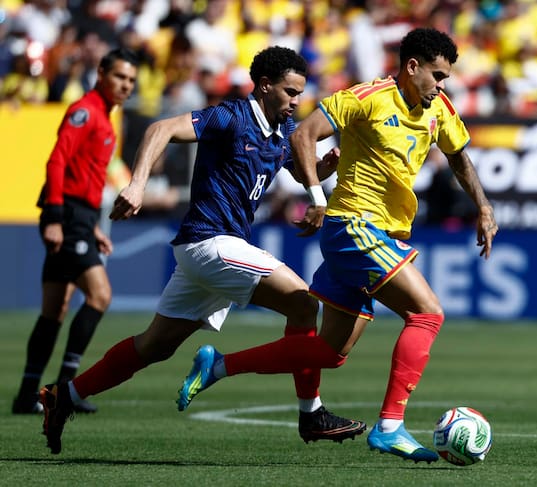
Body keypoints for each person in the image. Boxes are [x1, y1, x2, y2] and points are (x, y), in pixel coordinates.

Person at [176, 27, 499, 464]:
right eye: (437, 75)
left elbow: (459, 155)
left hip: (383, 233)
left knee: (332, 352)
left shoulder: (438, 107)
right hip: (354, 227)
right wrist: (317, 198)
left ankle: (219, 365)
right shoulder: (367, 97)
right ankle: (390, 427)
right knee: (427, 314)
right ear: (412, 67)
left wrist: (483, 207)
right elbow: (303, 135)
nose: (443, 86)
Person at [38, 46, 366, 455]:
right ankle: (311, 413)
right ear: (264, 86)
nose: (296, 101)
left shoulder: (280, 133)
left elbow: (299, 171)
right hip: (210, 242)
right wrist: (137, 184)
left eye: (299, 92)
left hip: (210, 253)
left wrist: (324, 169)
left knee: (154, 346)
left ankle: (64, 395)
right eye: (289, 91)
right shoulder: (230, 116)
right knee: (303, 305)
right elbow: (160, 129)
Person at [12, 48, 139, 415]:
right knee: (100, 296)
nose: (125, 86)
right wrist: (54, 217)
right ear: (100, 73)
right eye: (119, 77)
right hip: (65, 214)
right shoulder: (85, 111)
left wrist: (93, 228)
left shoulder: (105, 118)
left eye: (131, 80)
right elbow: (57, 159)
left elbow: (87, 178)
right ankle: (66, 390)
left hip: (78, 218)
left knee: (55, 308)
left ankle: (26, 394)